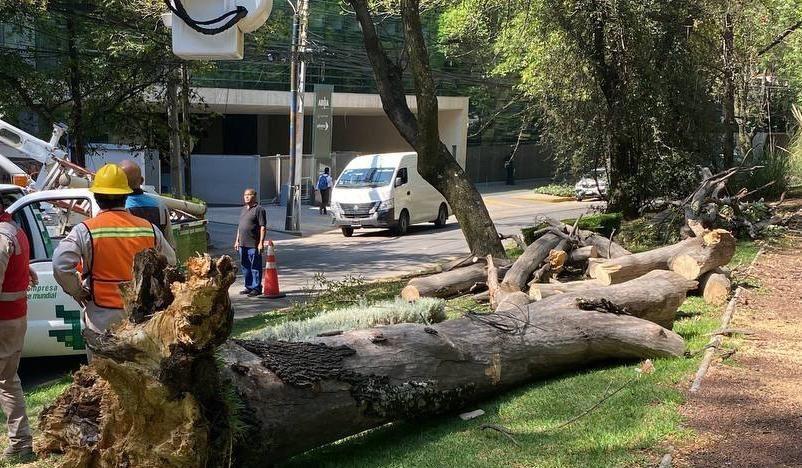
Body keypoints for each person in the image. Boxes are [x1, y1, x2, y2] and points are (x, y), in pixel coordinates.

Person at [53, 164, 176, 357]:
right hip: (141, 315)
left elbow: (61, 264)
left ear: (96, 197)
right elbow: (171, 261)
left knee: (104, 374)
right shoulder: (148, 229)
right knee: (141, 372)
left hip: (102, 315)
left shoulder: (85, 230)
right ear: (125, 195)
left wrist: (76, 290)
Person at [0, 195, 36, 463]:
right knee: (8, 380)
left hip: (4, 319)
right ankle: (21, 442)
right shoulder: (15, 231)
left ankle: (21, 442)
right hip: (14, 317)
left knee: (7, 382)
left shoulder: (1, 237)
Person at [119, 160, 176, 248]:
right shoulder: (160, 205)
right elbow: (169, 242)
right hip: (157, 259)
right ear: (141, 180)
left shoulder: (120, 208)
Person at [234, 188, 267, 297]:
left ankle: (256, 288)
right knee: (245, 266)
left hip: (253, 244)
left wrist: (261, 243)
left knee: (255, 267)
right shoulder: (243, 209)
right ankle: (248, 286)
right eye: (245, 195)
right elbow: (240, 226)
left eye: (249, 195)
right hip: (242, 244)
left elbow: (262, 227)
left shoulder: (259, 209)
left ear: (254, 196)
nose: (246, 197)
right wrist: (237, 240)